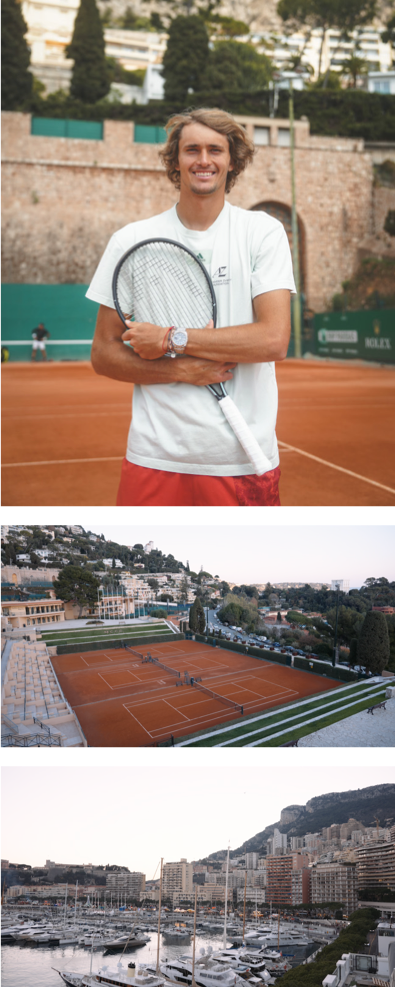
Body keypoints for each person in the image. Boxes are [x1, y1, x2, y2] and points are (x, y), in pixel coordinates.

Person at [87, 107, 296, 507]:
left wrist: (171, 338)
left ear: (231, 160)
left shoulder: (263, 232)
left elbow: (273, 340)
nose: (203, 160)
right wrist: (180, 369)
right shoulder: (130, 239)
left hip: (242, 461)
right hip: (154, 456)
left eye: (215, 150)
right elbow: (103, 354)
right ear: (175, 160)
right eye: (192, 149)